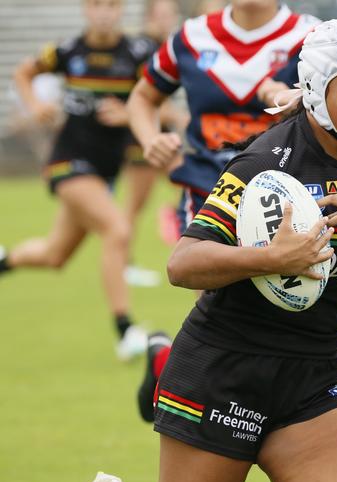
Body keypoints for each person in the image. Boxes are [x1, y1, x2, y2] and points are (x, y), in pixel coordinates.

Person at [143, 19, 337, 482]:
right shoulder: (265, 160)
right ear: (316, 88)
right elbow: (183, 264)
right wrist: (272, 259)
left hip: (311, 379)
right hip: (222, 374)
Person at [0, 0, 156, 360]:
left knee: (55, 255)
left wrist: (128, 114)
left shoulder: (137, 53)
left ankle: (4, 260)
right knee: (118, 229)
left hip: (103, 171)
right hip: (67, 163)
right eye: (97, 5)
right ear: (87, 9)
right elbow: (24, 73)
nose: (104, 12)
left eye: (111, 5)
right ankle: (125, 331)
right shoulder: (67, 50)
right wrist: (34, 106)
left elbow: (155, 102)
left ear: (120, 11)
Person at [127, 0, 320, 239]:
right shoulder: (191, 36)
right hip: (206, 190)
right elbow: (142, 97)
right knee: (193, 270)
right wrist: (150, 139)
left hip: (289, 193)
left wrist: (295, 99)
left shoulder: (317, 38)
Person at [122, 0, 186, 287]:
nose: (166, 20)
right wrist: (180, 117)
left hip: (160, 135)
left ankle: (176, 225)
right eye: (161, 15)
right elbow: (142, 96)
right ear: (149, 17)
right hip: (146, 138)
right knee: (135, 204)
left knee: (186, 185)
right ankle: (125, 264)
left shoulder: (161, 46)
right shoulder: (145, 49)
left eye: (170, 15)